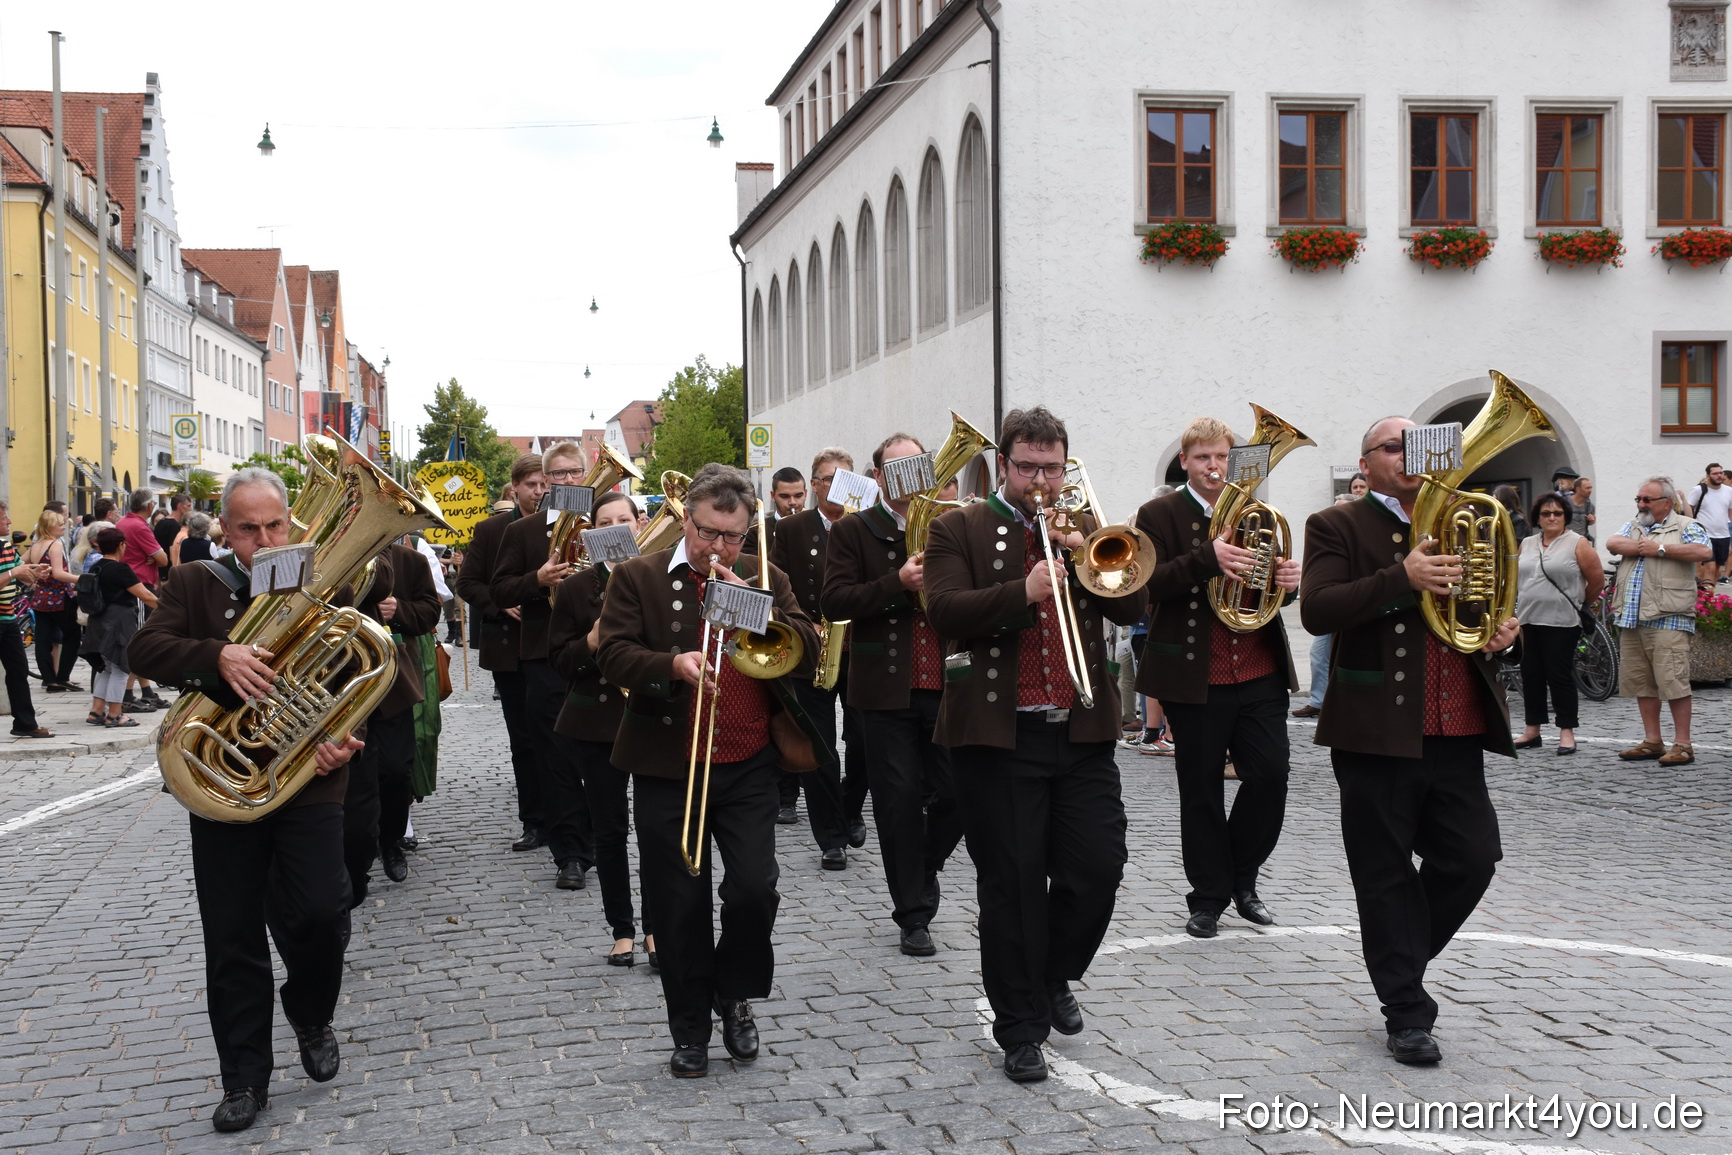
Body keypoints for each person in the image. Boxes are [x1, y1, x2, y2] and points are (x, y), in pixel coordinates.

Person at [129, 468, 365, 1132]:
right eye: (248, 528)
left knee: (323, 911)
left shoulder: (320, 576)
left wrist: (347, 736)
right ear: (224, 528)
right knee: (232, 933)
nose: (264, 540)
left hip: (309, 778)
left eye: (275, 526)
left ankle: (310, 1010)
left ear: (290, 523)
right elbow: (144, 647)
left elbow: (356, 666)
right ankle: (244, 1079)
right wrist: (217, 654)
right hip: (223, 783)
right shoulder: (196, 582)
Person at [924, 406, 1148, 1084]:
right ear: (1004, 466)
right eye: (1029, 467)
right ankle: (1019, 1026)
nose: (1042, 479)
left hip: (1080, 729)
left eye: (1053, 466)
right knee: (1013, 885)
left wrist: (1088, 553)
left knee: (1099, 868)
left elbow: (1134, 609)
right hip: (998, 736)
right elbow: (942, 610)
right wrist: (1021, 589)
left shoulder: (1083, 530)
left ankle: (1053, 973)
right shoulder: (957, 527)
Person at [1300, 414, 1520, 1067]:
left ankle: (1397, 952)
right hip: (1374, 729)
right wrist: (1404, 577)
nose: (1408, 455)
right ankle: (1406, 1011)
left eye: (1417, 444)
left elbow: (1479, 606)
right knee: (1384, 872)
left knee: (1473, 857)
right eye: (1394, 446)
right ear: (1365, 463)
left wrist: (1502, 627)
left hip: (1458, 724)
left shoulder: (1463, 514)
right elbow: (1318, 608)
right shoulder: (1336, 524)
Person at [595, 463, 821, 1078]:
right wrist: (673, 664)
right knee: (678, 904)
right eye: (707, 534)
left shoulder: (761, 574)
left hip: (748, 761)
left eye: (733, 538)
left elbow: (806, 638)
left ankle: (735, 993)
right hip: (671, 764)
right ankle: (691, 1028)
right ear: (685, 519)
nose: (719, 548)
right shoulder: (639, 576)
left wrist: (752, 610)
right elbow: (612, 653)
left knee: (755, 888)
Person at [1135, 416, 1299, 938]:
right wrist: (1206, 559)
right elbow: (1146, 586)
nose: (1214, 466)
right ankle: (1209, 897)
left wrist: (1288, 582)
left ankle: (1241, 878)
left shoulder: (1258, 512)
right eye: (1203, 457)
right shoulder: (1158, 513)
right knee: (1200, 789)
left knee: (1270, 776)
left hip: (1258, 668)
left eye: (1222, 456)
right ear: (1184, 461)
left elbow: (1269, 592)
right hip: (1193, 672)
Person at [823, 432, 967, 956]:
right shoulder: (856, 529)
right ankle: (913, 913)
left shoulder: (952, 522)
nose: (910, 477)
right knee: (899, 803)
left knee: (958, 797)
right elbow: (834, 598)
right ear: (879, 478)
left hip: (948, 682)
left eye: (918, 467)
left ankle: (919, 868)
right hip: (885, 689)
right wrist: (895, 583)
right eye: (898, 469)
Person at [548, 490, 654, 966]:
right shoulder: (573, 589)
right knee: (609, 830)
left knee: (656, 829)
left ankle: (657, 928)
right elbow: (559, 661)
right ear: (591, 536)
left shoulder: (659, 578)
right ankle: (622, 929)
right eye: (604, 523)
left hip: (653, 715)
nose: (616, 529)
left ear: (639, 524)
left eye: (623, 521)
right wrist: (592, 640)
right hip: (596, 721)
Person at [491, 441, 597, 889]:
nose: (569, 481)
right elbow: (498, 590)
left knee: (597, 755)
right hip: (543, 657)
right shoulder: (523, 532)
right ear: (547, 481)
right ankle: (569, 854)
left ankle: (600, 838)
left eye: (576, 473)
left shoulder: (603, 523)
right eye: (559, 475)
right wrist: (538, 579)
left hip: (598, 653)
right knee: (554, 759)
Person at [768, 447, 862, 865]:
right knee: (820, 742)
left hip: (862, 651)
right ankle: (832, 838)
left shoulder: (865, 526)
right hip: (813, 648)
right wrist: (808, 625)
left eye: (845, 479)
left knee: (864, 742)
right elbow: (776, 588)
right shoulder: (793, 529)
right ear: (815, 485)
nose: (836, 487)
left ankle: (851, 806)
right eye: (827, 479)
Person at [454, 454, 548, 852]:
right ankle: (534, 821)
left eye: (545, 484)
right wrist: (500, 603)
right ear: (515, 488)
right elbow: (467, 582)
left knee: (557, 738)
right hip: (511, 649)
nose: (539, 491)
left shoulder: (563, 527)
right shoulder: (491, 529)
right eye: (531, 484)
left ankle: (566, 817)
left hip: (550, 645)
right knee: (523, 739)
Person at [342, 539, 436, 904]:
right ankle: (356, 860)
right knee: (358, 779)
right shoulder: (335, 557)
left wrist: (399, 610)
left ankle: (391, 839)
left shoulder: (409, 560)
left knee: (397, 770)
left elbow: (430, 613)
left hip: (392, 681)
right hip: (345, 682)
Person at [1605, 477, 1712, 767]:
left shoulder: (1686, 526)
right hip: (1632, 618)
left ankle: (1683, 744)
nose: (1641, 504)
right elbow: (1612, 542)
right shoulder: (1635, 525)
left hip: (1669, 617)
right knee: (1643, 683)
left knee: (1673, 682)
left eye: (1646, 500)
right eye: (1638, 499)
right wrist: (1641, 547)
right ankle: (1653, 740)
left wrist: (1661, 549)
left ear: (1666, 502)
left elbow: (1703, 551)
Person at [1514, 492, 1604, 755]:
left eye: (1557, 513)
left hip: (1562, 621)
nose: (1552, 517)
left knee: (1559, 676)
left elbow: (1596, 580)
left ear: (1565, 516)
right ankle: (1532, 730)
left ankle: (1567, 732)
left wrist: (1578, 603)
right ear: (1537, 518)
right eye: (1546, 513)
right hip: (1528, 619)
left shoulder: (1578, 543)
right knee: (1531, 675)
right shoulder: (1527, 543)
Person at [80, 526, 159, 727]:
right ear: (121, 545)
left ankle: (96, 711)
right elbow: (145, 595)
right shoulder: (120, 569)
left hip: (99, 622)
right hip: (118, 623)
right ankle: (115, 714)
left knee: (107, 668)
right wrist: (169, 609)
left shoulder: (96, 567)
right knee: (121, 669)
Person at [0, 500, 54, 738]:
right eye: (4, 518)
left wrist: (34, 573)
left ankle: (24, 723)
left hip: (7, 617)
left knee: (18, 670)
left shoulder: (6, 545)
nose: (9, 522)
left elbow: (18, 570)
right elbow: (11, 572)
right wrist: (13, 573)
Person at [117, 489, 170, 712]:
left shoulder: (123, 523)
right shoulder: (140, 526)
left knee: (139, 639)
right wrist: (152, 558)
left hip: (129, 582)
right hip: (139, 584)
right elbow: (162, 558)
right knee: (138, 641)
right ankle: (127, 694)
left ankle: (146, 690)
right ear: (149, 506)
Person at [25, 508, 83, 692]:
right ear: (50, 526)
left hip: (41, 598)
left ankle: (50, 680)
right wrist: (81, 579)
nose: (63, 527)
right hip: (58, 598)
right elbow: (58, 573)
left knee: (43, 639)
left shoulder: (36, 545)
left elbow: (20, 563)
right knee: (73, 635)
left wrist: (33, 579)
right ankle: (63, 677)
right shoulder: (55, 545)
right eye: (60, 524)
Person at [1685, 463, 1731, 586]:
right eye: (1715, 473)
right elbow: (1689, 508)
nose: (1719, 476)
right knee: (1709, 567)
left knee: (1718, 569)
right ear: (1708, 475)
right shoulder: (1699, 490)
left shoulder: (1729, 491)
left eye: (1721, 473)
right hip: (1705, 535)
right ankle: (1706, 596)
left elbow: (1730, 513)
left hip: (1723, 535)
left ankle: (1709, 594)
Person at [156, 493, 192, 581]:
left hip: (158, 571)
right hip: (169, 573)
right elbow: (173, 552)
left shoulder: (161, 522)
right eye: (188, 506)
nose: (190, 509)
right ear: (180, 506)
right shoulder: (174, 526)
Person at [1567, 475, 1596, 543]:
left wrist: (1592, 520)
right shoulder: (1564, 503)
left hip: (1581, 541)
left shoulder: (1590, 506)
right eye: (1587, 488)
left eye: (1591, 488)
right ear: (1578, 489)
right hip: (1565, 540)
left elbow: (1589, 522)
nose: (1590, 491)